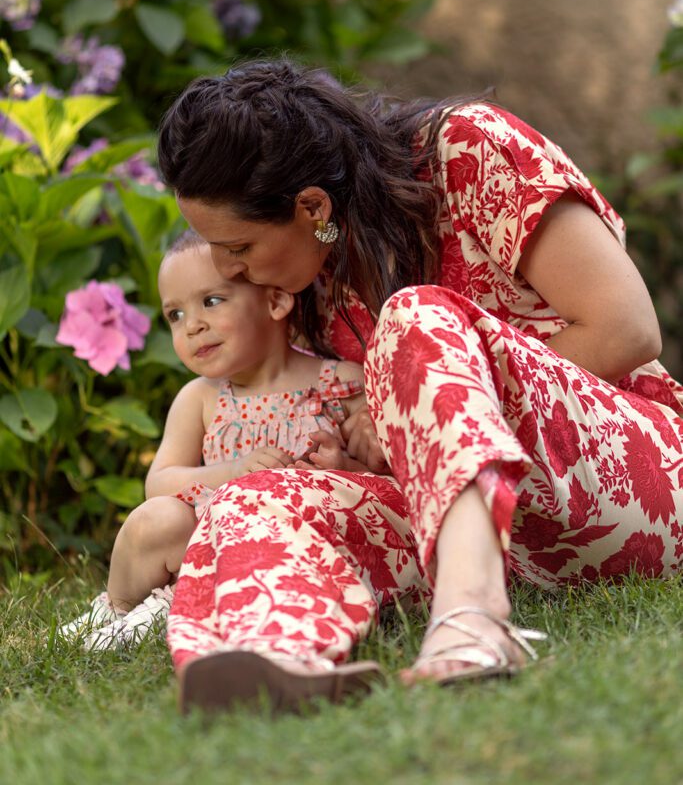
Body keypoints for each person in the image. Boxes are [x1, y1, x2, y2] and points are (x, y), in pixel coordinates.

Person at [156, 57, 683, 714]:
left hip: (625, 490)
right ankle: (272, 650)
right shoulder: (314, 271)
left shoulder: (467, 150)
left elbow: (627, 330)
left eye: (237, 247)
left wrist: (411, 395)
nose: (228, 270)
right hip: (483, 531)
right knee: (258, 495)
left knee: (419, 319)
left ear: (311, 206)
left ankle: (473, 621)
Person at [60, 228, 371, 651]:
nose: (193, 326)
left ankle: (175, 605)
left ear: (275, 300)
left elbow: (384, 479)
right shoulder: (201, 399)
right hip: (201, 543)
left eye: (210, 301)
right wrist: (232, 472)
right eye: (175, 315)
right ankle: (118, 607)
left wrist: (343, 467)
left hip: (296, 549)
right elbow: (159, 482)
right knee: (156, 519)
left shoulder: (340, 384)